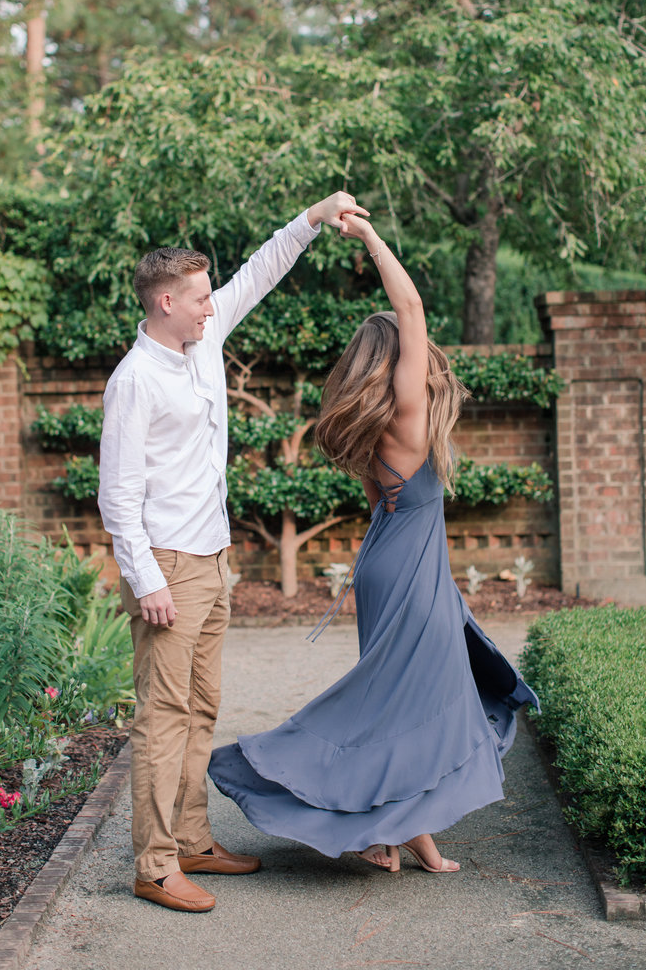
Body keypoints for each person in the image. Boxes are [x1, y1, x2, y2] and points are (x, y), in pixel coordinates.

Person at [209, 212, 539, 874]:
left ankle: (401, 838)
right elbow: (410, 304)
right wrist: (368, 236)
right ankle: (369, 820)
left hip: (386, 565)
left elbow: (384, 507)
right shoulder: (411, 415)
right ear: (397, 364)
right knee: (421, 705)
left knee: (401, 703)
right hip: (412, 572)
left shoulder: (372, 430)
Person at [98, 192, 368, 913]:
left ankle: (189, 840)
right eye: (196, 298)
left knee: (202, 708)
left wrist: (314, 217)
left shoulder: (203, 343)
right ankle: (155, 867)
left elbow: (260, 269)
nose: (211, 306)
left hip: (212, 559)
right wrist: (146, 578)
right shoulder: (134, 382)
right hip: (168, 568)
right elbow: (117, 495)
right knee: (163, 715)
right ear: (162, 303)